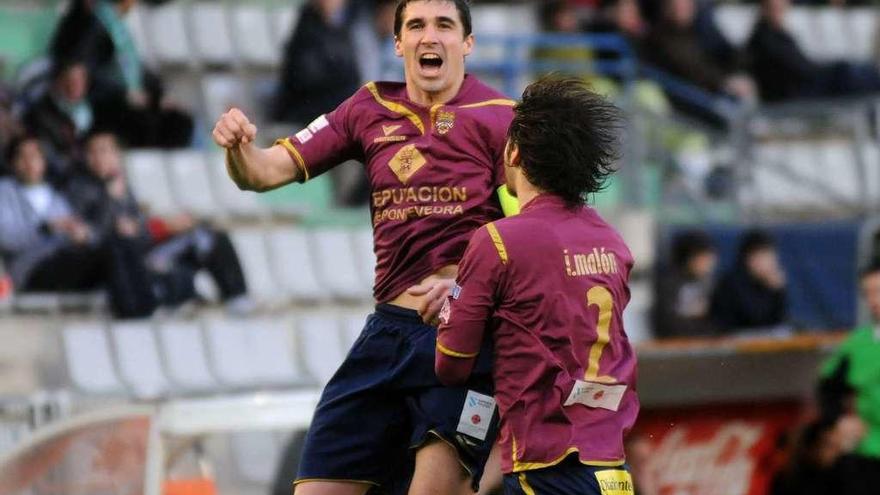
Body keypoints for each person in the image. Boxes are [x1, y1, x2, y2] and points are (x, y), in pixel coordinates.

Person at [212, 0, 517, 493]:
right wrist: (238, 149)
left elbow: (535, 232)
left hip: (465, 336)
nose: (430, 37)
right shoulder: (368, 107)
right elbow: (264, 172)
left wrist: (470, 287)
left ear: (468, 43)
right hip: (388, 335)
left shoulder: (503, 120)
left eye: (445, 25)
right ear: (398, 44)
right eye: (416, 26)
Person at [435, 76, 637, 495]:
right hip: (612, 470)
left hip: (546, 467)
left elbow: (450, 363)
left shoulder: (499, 242)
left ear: (513, 151)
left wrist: (451, 306)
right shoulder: (613, 243)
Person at [65, 131, 250, 312]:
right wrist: (157, 225)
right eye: (93, 152)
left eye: (104, 151)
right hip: (124, 264)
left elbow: (136, 225)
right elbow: (94, 235)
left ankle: (236, 297)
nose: (98, 157)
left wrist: (162, 226)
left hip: (144, 250)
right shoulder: (80, 189)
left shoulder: (120, 185)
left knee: (207, 236)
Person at [0, 135, 156, 318]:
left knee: (123, 245)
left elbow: (82, 232)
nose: (30, 162)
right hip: (33, 269)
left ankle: (146, 310)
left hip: (66, 260)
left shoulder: (54, 194)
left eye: (36, 156)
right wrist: (46, 228)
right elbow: (6, 238)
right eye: (23, 157)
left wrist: (83, 235)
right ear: (12, 162)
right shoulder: (5, 192)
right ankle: (133, 313)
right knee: (110, 251)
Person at [49, 0, 193, 148]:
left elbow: (134, 67)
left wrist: (161, 94)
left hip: (126, 96)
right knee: (147, 120)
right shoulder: (90, 22)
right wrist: (127, 93)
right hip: (104, 101)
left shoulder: (117, 26)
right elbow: (83, 74)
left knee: (180, 121)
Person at [815, 261, 880, 494]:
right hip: (870, 452)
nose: (874, 299)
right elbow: (827, 388)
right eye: (868, 293)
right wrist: (840, 419)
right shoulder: (857, 344)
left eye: (878, 291)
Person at [747, 0, 880, 102]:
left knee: (850, 70)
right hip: (794, 92)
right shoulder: (766, 38)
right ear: (764, 10)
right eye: (775, 9)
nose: (780, 12)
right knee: (845, 72)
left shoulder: (777, 35)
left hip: (802, 85)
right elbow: (799, 68)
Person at [273, 0, 362, 124]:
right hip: (304, 113)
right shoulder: (306, 29)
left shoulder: (344, 28)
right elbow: (306, 78)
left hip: (335, 110)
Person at [23, 60, 93, 183]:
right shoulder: (42, 112)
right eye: (70, 80)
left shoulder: (89, 111)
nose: (75, 85)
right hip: (58, 175)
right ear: (59, 81)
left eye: (81, 80)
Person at [710, 229, 787, 332]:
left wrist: (779, 293)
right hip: (733, 337)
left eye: (770, 256)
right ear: (748, 258)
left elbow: (777, 321)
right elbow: (755, 320)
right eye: (762, 257)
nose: (768, 262)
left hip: (762, 336)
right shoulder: (732, 282)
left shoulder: (768, 281)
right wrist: (775, 291)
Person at [653, 229, 719, 338]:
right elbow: (666, 323)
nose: (708, 264)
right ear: (688, 258)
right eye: (703, 258)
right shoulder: (669, 284)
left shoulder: (710, 282)